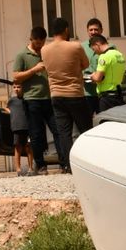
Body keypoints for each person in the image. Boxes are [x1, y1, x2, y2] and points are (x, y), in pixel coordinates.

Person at [40, 17, 92, 174]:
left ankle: (69, 165)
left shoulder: (44, 50)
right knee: (85, 130)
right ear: (66, 30)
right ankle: (88, 162)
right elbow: (86, 64)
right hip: (75, 93)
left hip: (56, 95)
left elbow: (46, 69)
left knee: (64, 133)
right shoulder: (75, 46)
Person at [12, 26, 63, 174]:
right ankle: (41, 165)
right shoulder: (22, 55)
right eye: (37, 42)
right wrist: (34, 69)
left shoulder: (46, 53)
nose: (40, 45)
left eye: (42, 42)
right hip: (32, 99)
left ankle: (64, 163)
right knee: (36, 134)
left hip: (50, 98)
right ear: (31, 39)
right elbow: (16, 77)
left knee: (58, 131)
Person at [89, 34, 126, 111]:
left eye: (93, 49)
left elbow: (97, 78)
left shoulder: (104, 56)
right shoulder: (119, 54)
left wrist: (93, 76)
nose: (95, 52)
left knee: (106, 118)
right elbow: (122, 76)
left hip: (107, 97)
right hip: (118, 94)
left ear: (97, 45)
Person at [5, 82, 34, 176]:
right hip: (17, 127)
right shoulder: (11, 101)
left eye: (18, 87)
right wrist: (9, 112)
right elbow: (7, 108)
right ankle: (18, 169)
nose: (16, 89)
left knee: (28, 147)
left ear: (23, 88)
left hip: (28, 126)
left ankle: (31, 168)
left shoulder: (27, 99)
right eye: (14, 87)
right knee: (18, 147)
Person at [82, 18, 107, 114]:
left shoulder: (109, 47)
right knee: (86, 121)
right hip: (87, 93)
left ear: (101, 30)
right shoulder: (81, 47)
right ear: (87, 31)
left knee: (104, 120)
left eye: (96, 29)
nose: (93, 32)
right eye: (91, 30)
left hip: (103, 92)